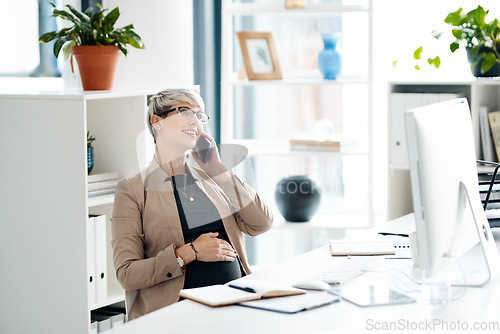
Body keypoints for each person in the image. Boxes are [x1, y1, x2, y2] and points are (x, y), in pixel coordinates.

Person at [111, 88, 274, 320]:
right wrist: (189, 252)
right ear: (157, 122)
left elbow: (262, 223)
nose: (196, 121)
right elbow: (127, 274)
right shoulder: (132, 190)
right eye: (185, 111)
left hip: (236, 305)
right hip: (175, 315)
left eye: (200, 115)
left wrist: (219, 170)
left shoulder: (212, 176)